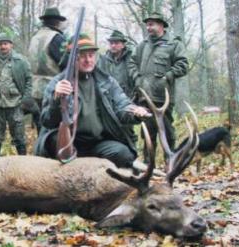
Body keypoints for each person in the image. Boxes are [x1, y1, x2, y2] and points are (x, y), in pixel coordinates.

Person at [34, 34, 150, 168]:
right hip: (70, 142)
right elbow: (47, 120)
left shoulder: (107, 81)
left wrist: (135, 111)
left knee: (124, 154)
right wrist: (57, 98)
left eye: (91, 55)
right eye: (82, 56)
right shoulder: (58, 83)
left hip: (98, 143)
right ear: (71, 59)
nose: (88, 60)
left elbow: (122, 105)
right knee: (53, 142)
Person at [128, 12, 189, 163]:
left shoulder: (174, 44)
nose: (149, 27)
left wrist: (168, 76)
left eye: (152, 24)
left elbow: (183, 65)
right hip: (144, 98)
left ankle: (171, 164)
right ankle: (149, 167)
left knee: (167, 134)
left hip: (164, 99)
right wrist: (137, 78)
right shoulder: (143, 45)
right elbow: (131, 63)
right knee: (148, 134)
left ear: (161, 25)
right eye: (147, 24)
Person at [28, 7, 67, 132]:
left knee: (41, 124)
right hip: (53, 88)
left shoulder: (35, 37)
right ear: (57, 22)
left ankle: (40, 149)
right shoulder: (56, 38)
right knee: (54, 126)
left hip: (35, 89)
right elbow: (65, 63)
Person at [97, 30, 134, 97]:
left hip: (129, 97)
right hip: (109, 97)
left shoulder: (131, 58)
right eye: (111, 43)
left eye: (116, 43)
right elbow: (99, 79)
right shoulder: (103, 60)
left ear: (123, 45)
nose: (113, 46)